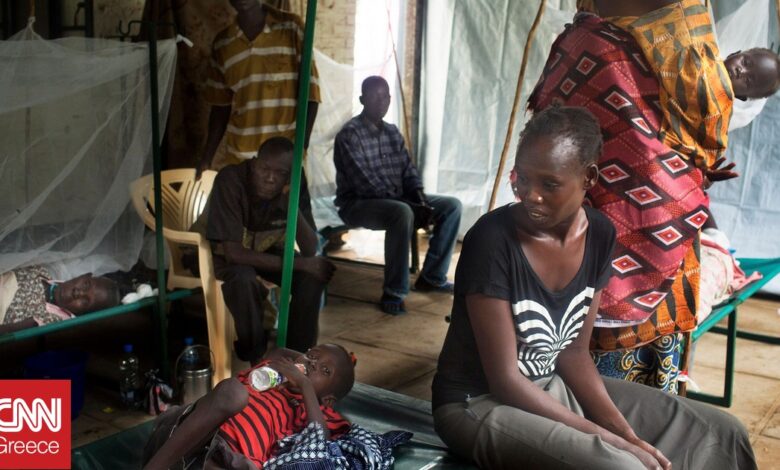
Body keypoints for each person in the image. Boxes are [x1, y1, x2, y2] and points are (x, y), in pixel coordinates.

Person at [431, 106, 756, 469]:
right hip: (477, 404)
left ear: (588, 177)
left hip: (550, 385)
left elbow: (573, 354)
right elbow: (505, 380)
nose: (530, 195)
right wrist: (611, 441)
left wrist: (627, 434)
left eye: (549, 184)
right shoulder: (492, 240)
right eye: (522, 179)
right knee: (623, 466)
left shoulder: (599, 234)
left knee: (721, 432)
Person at [580, 0, 780, 176]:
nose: (740, 71)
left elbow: (704, 150)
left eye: (749, 81)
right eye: (745, 62)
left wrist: (703, 169)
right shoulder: (700, 48)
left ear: (743, 98)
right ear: (735, 53)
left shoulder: (718, 116)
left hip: (641, 131)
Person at [196, 137, 335, 364]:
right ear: (254, 164)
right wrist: (300, 263)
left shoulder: (294, 183)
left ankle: (296, 358)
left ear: (289, 177)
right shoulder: (231, 179)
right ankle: (255, 357)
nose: (270, 178)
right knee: (244, 278)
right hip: (217, 254)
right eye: (264, 169)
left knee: (312, 277)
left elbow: (310, 248)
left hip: (264, 250)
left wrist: (290, 204)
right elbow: (234, 253)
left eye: (280, 173)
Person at [333, 76, 462, 315]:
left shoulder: (392, 132)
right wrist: (411, 205)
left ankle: (432, 277)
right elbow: (365, 184)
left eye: (385, 97)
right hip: (358, 204)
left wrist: (421, 199)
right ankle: (394, 291)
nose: (381, 101)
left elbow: (408, 172)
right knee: (401, 212)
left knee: (452, 206)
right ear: (362, 99)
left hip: (399, 200)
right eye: (374, 97)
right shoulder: (349, 135)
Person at [198, 0, 320, 229]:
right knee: (240, 231)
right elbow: (220, 108)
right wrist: (207, 157)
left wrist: (299, 151)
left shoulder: (291, 28)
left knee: (293, 232)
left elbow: (311, 96)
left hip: (282, 161)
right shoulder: (223, 43)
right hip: (242, 158)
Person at [142, 343, 356, 469]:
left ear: (328, 400)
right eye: (312, 356)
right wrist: (300, 363)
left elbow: (321, 442)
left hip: (228, 461)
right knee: (233, 393)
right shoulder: (272, 369)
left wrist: (305, 385)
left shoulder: (315, 411)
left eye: (325, 371)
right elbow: (279, 351)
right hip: (183, 439)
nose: (312, 364)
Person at [0, 265, 120, 335]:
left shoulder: (50, 325)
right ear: (85, 275)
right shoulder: (39, 271)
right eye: (86, 284)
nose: (78, 293)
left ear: (83, 314)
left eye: (85, 302)